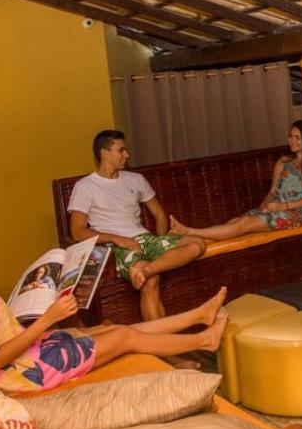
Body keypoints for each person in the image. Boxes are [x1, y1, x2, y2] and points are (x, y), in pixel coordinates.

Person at [0, 201, 226, 395]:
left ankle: (198, 316)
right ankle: (204, 340)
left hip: (29, 356)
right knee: (125, 337)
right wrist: (48, 318)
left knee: (114, 329)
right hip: (29, 372)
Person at [67, 130, 206, 320]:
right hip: (116, 246)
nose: (127, 155)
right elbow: (77, 232)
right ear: (104, 153)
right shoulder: (85, 186)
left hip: (146, 239)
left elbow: (159, 215)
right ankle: (161, 337)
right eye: (121, 150)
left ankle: (146, 269)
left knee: (198, 244)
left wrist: (160, 241)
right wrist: (117, 238)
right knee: (150, 281)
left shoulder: (136, 179)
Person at [171, 121, 302, 242]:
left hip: (298, 213)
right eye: (290, 136)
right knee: (236, 221)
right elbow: (272, 192)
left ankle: (190, 232)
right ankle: (192, 242)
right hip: (275, 207)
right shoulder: (283, 162)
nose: (292, 141)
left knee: (245, 223)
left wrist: (285, 206)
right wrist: (265, 205)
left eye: (298, 137)